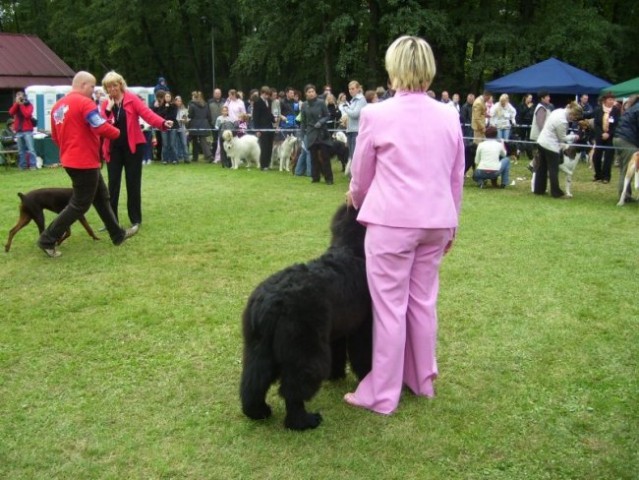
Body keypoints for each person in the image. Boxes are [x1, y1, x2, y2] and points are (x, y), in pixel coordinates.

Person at [344, 35, 464, 415]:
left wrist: (358, 201)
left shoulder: (376, 114)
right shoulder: (449, 114)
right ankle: (421, 379)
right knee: (423, 302)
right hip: (437, 221)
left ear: (393, 70)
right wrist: (452, 223)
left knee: (390, 307)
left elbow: (361, 176)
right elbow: (455, 175)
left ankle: (382, 393)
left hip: (391, 223)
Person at [37, 71, 139, 258]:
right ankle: (47, 239)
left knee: (101, 197)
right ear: (83, 85)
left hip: (71, 159)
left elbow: (55, 136)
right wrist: (118, 133)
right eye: (92, 87)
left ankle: (117, 234)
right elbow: (99, 125)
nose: (94, 91)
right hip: (84, 161)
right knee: (80, 204)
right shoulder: (85, 103)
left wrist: (68, 151)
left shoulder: (58, 106)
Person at [100, 71, 171, 227]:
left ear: (120, 84)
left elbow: (147, 113)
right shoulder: (105, 104)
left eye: (115, 85)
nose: (112, 89)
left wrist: (162, 123)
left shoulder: (132, 99)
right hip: (113, 149)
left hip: (132, 147)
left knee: (133, 183)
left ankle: (135, 219)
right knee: (113, 185)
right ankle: (111, 221)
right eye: (109, 87)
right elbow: (102, 124)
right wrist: (108, 110)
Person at [533, 101, 583, 198]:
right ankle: (556, 193)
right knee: (553, 170)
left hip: (541, 141)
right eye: (575, 117)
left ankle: (539, 190)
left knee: (542, 168)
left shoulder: (558, 111)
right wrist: (574, 137)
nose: (574, 119)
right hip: (550, 145)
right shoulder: (563, 121)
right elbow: (562, 138)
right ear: (573, 113)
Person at [300, 84, 332, 184]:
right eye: (309, 92)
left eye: (313, 91)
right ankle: (315, 177)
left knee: (325, 157)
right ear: (306, 94)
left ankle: (329, 179)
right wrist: (302, 136)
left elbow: (327, 116)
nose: (311, 93)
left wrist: (321, 122)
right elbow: (303, 122)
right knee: (313, 157)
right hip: (311, 133)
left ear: (315, 92)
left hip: (322, 132)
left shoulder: (321, 102)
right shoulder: (304, 105)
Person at [614, 95, 639, 203]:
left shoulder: (633, 108)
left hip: (619, 138)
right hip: (627, 140)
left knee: (624, 168)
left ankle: (626, 195)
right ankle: (624, 196)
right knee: (627, 170)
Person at [591, 92, 620, 183]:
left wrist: (609, 134)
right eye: (610, 99)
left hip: (610, 137)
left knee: (608, 157)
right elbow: (596, 124)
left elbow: (616, 124)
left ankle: (606, 177)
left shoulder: (616, 110)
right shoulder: (598, 110)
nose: (612, 101)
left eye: (613, 100)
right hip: (600, 136)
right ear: (605, 100)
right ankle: (598, 175)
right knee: (596, 156)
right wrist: (601, 134)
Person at [8, 90, 37, 170]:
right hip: (19, 130)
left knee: (31, 149)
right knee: (21, 150)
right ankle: (22, 166)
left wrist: (21, 105)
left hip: (27, 130)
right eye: (18, 96)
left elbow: (27, 115)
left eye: (21, 96)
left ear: (24, 97)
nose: (20, 98)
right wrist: (17, 104)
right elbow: (11, 112)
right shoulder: (16, 105)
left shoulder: (29, 105)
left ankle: (33, 165)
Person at [341, 81, 367, 164]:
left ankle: (357, 176)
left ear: (358, 89)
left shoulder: (361, 100)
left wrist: (345, 108)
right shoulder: (353, 100)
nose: (351, 91)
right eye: (349, 89)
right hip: (350, 130)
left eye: (353, 89)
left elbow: (355, 114)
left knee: (356, 157)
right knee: (352, 156)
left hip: (357, 130)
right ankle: (354, 176)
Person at [252, 86, 275, 170]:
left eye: (268, 95)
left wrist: (274, 119)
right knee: (264, 147)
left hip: (270, 127)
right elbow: (255, 117)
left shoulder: (269, 101)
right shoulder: (257, 102)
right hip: (262, 128)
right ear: (262, 93)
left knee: (269, 147)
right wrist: (257, 129)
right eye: (266, 94)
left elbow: (269, 113)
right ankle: (263, 165)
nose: (267, 96)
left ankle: (267, 164)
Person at [187, 91, 214, 162]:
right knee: (203, 141)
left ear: (194, 97)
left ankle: (195, 157)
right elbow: (209, 115)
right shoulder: (205, 104)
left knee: (195, 141)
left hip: (194, 124)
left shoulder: (192, 105)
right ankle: (209, 155)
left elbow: (190, 115)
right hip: (204, 124)